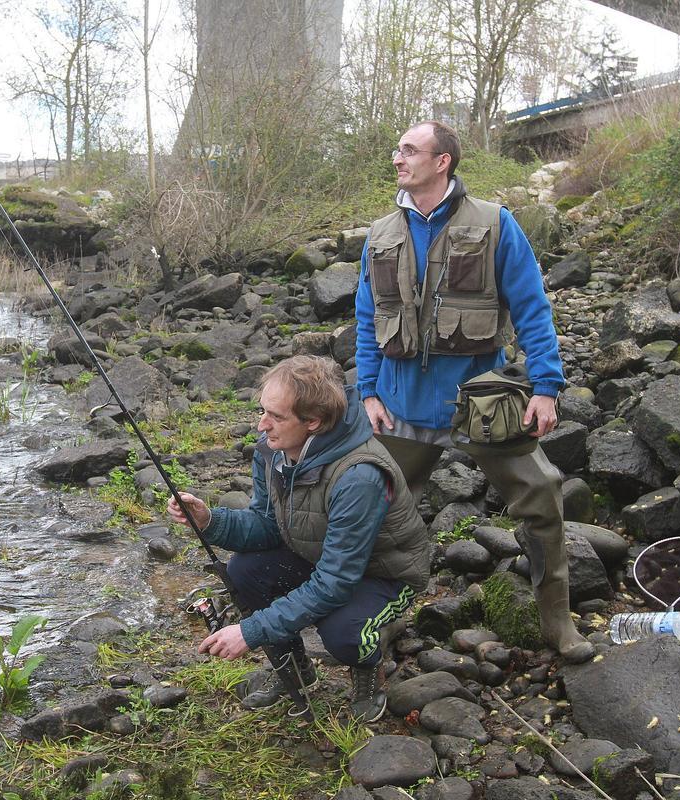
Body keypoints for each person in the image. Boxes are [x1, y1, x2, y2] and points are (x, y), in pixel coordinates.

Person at [354, 119, 594, 664]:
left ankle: (557, 621)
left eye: (409, 150)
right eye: (398, 149)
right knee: (380, 514)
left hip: (480, 402)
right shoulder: (379, 234)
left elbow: (532, 307)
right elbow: (367, 319)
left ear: (443, 161)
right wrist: (367, 392)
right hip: (399, 403)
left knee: (542, 492)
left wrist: (547, 386)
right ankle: (378, 627)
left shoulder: (495, 223)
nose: (398, 157)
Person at [167, 355, 430, 722]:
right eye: (263, 411)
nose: (262, 425)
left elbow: (336, 582)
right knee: (244, 571)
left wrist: (250, 631)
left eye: (275, 417)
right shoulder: (272, 451)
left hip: (385, 573)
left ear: (313, 422)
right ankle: (295, 671)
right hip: (318, 555)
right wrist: (209, 520)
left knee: (343, 633)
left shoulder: (360, 477)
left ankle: (369, 664)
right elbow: (266, 526)